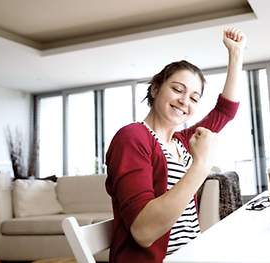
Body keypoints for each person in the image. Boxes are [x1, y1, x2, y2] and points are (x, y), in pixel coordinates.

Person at [105, 27, 246, 263]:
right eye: (177, 89)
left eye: (193, 97)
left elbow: (225, 110)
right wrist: (201, 166)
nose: (184, 101)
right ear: (156, 88)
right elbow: (143, 231)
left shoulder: (182, 141)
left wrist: (236, 54)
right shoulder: (133, 137)